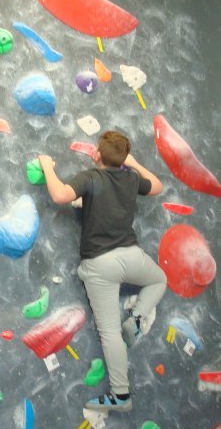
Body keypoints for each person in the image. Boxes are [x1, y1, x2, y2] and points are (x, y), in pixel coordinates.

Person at [38, 131, 167, 412]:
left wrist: (47, 166)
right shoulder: (131, 179)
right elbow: (157, 186)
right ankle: (136, 319)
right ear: (123, 159)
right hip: (130, 256)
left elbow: (60, 195)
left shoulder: (90, 178)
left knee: (110, 332)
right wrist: (133, 163)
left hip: (100, 265)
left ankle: (121, 395)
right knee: (159, 279)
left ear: (97, 154)